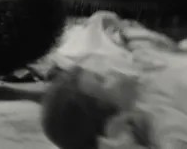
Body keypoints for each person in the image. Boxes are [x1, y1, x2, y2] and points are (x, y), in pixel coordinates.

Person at [41, 12, 187, 149]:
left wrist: (119, 28)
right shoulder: (159, 121)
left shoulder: (142, 68)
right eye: (102, 80)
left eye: (99, 72)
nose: (110, 71)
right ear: (115, 121)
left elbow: (152, 48)